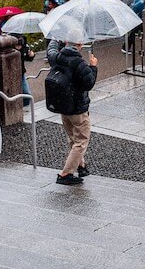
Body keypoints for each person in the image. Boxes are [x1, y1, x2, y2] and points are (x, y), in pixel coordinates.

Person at [46, 37, 98, 185]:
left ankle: (80, 165)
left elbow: (51, 50)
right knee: (81, 140)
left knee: (73, 137)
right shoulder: (79, 63)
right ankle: (65, 174)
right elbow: (89, 83)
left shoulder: (57, 57)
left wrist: (56, 39)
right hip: (77, 107)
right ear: (80, 44)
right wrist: (93, 67)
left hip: (63, 105)